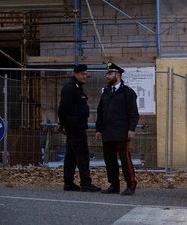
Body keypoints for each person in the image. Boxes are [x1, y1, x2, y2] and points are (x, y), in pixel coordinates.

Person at [95, 62, 140, 196]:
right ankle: (114, 185)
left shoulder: (127, 92)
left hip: (121, 133)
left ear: (117, 75)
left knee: (125, 160)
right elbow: (100, 112)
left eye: (110, 74)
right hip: (108, 132)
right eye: (107, 74)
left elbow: (133, 113)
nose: (107, 76)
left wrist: (131, 129)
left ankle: (131, 184)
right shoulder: (106, 92)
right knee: (110, 161)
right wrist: (98, 129)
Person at [55, 64, 101, 192]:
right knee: (82, 154)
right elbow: (63, 108)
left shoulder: (77, 88)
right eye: (82, 74)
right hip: (74, 126)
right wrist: (62, 123)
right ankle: (85, 183)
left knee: (71, 155)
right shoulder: (70, 88)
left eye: (86, 74)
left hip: (76, 125)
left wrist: (63, 123)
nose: (85, 76)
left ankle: (68, 182)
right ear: (75, 74)